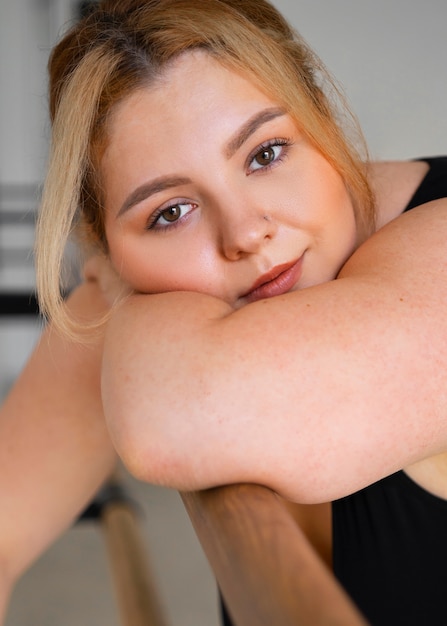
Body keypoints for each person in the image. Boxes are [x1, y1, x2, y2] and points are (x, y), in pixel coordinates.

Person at [2, 0, 447, 624]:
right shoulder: (147, 294)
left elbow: (171, 413)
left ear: (325, 123)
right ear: (106, 246)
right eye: (170, 212)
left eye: (265, 154)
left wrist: (127, 284)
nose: (244, 233)